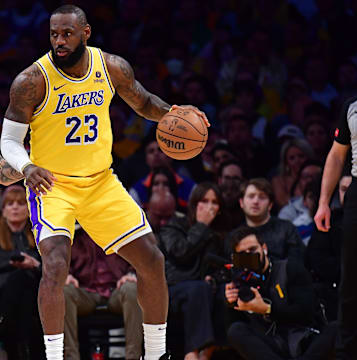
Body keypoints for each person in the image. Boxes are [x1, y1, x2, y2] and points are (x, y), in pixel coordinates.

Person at [0, 5, 209, 360]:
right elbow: (7, 141)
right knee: (54, 265)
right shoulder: (31, 80)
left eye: (67, 33)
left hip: (100, 182)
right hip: (53, 185)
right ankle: (55, 357)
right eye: (54, 34)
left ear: (86, 32)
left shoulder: (111, 67)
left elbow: (143, 102)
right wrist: (29, 166)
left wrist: (174, 113)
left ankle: (156, 354)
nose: (59, 41)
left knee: (152, 260)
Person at [225, 226, 338, 360]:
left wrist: (268, 310)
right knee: (235, 330)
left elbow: (306, 313)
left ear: (264, 248)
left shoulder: (289, 268)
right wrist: (231, 303)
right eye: (244, 254)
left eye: (253, 250)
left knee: (336, 328)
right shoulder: (240, 282)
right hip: (273, 346)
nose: (250, 256)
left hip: (304, 338)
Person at [313, 96, 357, 359]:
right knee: (351, 280)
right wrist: (323, 202)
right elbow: (336, 154)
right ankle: (346, 353)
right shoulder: (352, 105)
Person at [159, 182, 227, 360]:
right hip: (172, 289)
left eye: (215, 202)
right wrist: (201, 226)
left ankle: (207, 351)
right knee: (198, 289)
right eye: (204, 201)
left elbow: (222, 268)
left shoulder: (218, 235)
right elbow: (181, 253)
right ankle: (193, 353)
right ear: (194, 203)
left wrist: (212, 279)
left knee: (225, 292)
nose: (209, 207)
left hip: (201, 291)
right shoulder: (174, 226)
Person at [64, 228, 143, 360]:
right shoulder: (73, 237)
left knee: (131, 288)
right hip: (85, 293)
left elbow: (139, 259)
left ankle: (133, 357)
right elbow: (59, 260)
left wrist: (132, 273)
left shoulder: (123, 233)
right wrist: (66, 275)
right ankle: (71, 357)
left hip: (117, 292)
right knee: (64, 291)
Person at [0, 185, 44, 360]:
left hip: (34, 294)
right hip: (3, 290)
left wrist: (34, 264)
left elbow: (50, 269)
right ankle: (26, 351)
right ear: (3, 210)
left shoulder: (39, 235)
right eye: (10, 204)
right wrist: (15, 262)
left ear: (28, 209)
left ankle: (4, 326)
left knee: (24, 285)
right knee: (19, 280)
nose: (15, 208)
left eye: (20, 203)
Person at [307, 174, 352, 321]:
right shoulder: (328, 220)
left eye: (353, 190)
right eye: (344, 189)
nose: (348, 195)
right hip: (334, 289)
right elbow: (318, 261)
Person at [237, 178, 305, 261]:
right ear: (241, 202)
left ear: (270, 205)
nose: (255, 201)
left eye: (262, 197)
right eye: (251, 196)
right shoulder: (235, 236)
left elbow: (297, 262)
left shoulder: (287, 229)